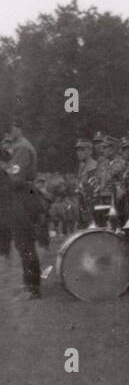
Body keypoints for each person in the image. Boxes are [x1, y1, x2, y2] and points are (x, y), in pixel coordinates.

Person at [6, 122, 41, 300]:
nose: (8, 133)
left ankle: (32, 287)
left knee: (25, 242)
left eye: (10, 129)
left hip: (23, 197)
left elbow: (15, 179)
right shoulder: (20, 147)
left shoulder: (22, 148)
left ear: (19, 128)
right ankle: (29, 283)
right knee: (22, 243)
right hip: (22, 196)